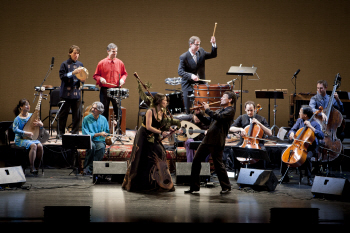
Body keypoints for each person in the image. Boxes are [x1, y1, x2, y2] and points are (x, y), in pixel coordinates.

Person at [122, 93, 181, 192]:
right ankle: (140, 184)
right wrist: (162, 133)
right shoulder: (150, 111)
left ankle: (158, 182)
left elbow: (164, 125)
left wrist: (171, 129)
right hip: (144, 136)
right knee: (142, 158)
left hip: (154, 136)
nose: (166, 102)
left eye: (166, 100)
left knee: (160, 152)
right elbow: (149, 127)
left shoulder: (163, 111)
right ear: (159, 101)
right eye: (164, 100)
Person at [184, 91, 236, 194]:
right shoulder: (221, 110)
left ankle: (226, 187)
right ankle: (194, 187)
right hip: (207, 139)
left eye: (223, 97)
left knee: (218, 164)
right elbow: (209, 121)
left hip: (217, 141)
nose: (221, 98)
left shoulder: (230, 111)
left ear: (230, 100)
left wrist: (207, 109)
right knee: (196, 160)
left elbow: (219, 118)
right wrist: (199, 114)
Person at [281, 105, 324, 185]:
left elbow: (321, 135)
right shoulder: (300, 121)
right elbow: (292, 130)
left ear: (305, 115)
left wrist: (310, 127)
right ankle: (284, 177)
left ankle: (309, 178)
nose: (299, 113)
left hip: (311, 148)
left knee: (307, 158)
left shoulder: (315, 124)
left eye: (300, 112)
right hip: (298, 145)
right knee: (285, 153)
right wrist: (292, 133)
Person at [93, 43, 128, 133]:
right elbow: (95, 75)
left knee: (118, 110)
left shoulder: (120, 62)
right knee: (103, 111)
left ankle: (118, 130)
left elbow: (125, 74)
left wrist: (122, 80)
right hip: (105, 90)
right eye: (113, 51)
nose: (115, 53)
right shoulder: (101, 63)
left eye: (116, 51)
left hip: (116, 90)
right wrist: (100, 78)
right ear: (108, 51)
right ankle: (104, 130)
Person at [229, 101, 272, 172]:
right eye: (248, 110)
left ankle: (261, 173)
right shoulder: (241, 117)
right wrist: (240, 129)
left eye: (251, 110)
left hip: (257, 143)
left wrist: (259, 124)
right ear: (245, 109)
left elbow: (270, 133)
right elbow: (231, 128)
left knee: (263, 152)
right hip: (243, 142)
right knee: (232, 151)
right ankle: (237, 171)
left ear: (255, 109)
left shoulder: (261, 119)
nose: (249, 112)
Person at [178, 36, 217, 113]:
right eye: (196, 45)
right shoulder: (184, 57)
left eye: (199, 44)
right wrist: (191, 76)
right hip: (188, 85)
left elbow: (213, 55)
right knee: (189, 110)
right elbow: (180, 71)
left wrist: (213, 44)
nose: (198, 46)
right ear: (191, 44)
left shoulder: (201, 52)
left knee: (202, 108)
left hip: (200, 84)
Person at [12, 99, 44, 175]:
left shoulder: (31, 116)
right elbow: (14, 129)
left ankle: (37, 166)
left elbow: (38, 128)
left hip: (31, 138)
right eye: (26, 105)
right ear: (21, 107)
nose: (28, 106)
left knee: (40, 146)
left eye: (28, 104)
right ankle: (31, 167)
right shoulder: (17, 119)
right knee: (33, 146)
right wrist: (25, 133)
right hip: (21, 139)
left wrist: (41, 125)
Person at [58, 45, 84, 136]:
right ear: (70, 53)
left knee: (77, 115)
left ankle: (75, 132)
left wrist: (83, 80)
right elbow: (62, 77)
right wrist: (73, 73)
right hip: (66, 93)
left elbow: (82, 77)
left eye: (78, 53)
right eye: (74, 53)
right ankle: (61, 133)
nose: (76, 55)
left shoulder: (80, 64)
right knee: (63, 115)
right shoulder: (64, 64)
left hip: (76, 93)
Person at [82, 101, 109, 175]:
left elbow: (107, 132)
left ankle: (92, 168)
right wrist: (99, 134)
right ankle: (87, 168)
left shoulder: (103, 119)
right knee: (92, 147)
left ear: (100, 111)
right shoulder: (86, 119)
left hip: (100, 140)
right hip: (89, 139)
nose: (92, 109)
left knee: (101, 148)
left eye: (95, 108)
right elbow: (85, 133)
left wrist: (114, 126)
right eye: (92, 107)